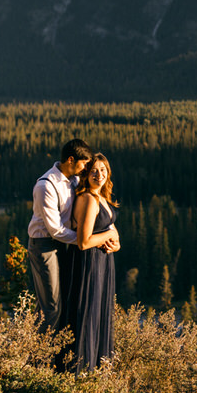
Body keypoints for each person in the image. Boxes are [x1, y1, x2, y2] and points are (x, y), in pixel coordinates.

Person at [26, 138, 92, 332]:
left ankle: (43, 351)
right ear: (71, 160)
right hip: (44, 246)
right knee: (52, 306)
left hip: (64, 243)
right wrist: (85, 241)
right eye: (84, 163)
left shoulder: (75, 180)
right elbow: (55, 229)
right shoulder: (46, 185)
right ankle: (41, 358)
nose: (86, 168)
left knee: (55, 301)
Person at [69, 152, 121, 370]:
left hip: (102, 263)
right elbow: (83, 241)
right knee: (88, 315)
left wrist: (116, 243)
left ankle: (98, 371)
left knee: (100, 313)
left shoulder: (102, 199)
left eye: (102, 170)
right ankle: (83, 371)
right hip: (88, 264)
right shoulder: (88, 199)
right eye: (93, 171)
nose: (99, 174)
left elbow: (112, 230)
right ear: (86, 175)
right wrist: (109, 237)